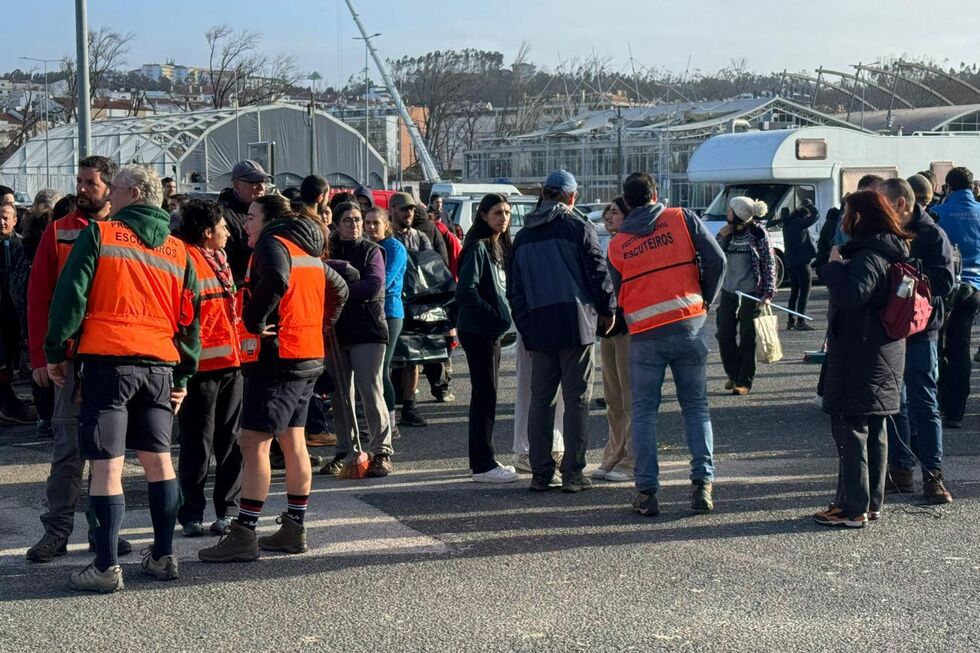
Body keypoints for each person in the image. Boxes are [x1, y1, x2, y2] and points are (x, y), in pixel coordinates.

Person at [45, 164, 201, 591]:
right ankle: (164, 555)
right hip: (159, 367)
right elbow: (190, 321)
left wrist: (55, 351)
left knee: (107, 466)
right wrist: (184, 375)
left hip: (108, 362)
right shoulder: (179, 251)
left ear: (132, 192)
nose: (108, 194)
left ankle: (106, 566)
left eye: (113, 188)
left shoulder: (101, 234)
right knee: (158, 461)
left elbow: (70, 297)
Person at [199, 195, 325, 563]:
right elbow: (341, 284)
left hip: (279, 357)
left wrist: (253, 321)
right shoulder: (306, 245)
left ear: (269, 219)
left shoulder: (273, 243)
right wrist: (318, 326)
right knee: (293, 441)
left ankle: (244, 533)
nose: (246, 224)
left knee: (253, 442)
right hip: (306, 353)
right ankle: (294, 528)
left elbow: (276, 280)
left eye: (252, 217)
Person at [25, 158, 136, 563]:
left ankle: (101, 530)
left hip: (112, 356)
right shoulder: (59, 231)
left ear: (110, 187)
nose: (83, 188)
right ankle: (56, 530)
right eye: (79, 182)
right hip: (70, 359)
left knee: (107, 450)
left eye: (91, 182)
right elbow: (39, 298)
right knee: (68, 448)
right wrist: (40, 355)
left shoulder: (125, 232)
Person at [607, 173, 726, 516]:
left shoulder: (618, 243)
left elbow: (620, 293)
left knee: (644, 413)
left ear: (626, 204)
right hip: (689, 324)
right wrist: (704, 299)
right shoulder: (682, 218)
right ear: (655, 193)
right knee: (696, 407)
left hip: (645, 334)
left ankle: (646, 493)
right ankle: (702, 485)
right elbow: (717, 259)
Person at [507, 169, 614, 493]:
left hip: (539, 326)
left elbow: (515, 290)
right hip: (575, 321)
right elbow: (598, 272)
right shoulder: (578, 226)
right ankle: (573, 473)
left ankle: (541, 472)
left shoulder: (523, 235)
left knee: (541, 401)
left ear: (543, 193)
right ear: (571, 197)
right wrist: (607, 311)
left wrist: (525, 327)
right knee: (577, 400)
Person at [815, 190, 909, 528]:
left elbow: (853, 298)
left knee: (849, 425)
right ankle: (870, 503)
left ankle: (852, 507)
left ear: (860, 217)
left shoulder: (868, 254)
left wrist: (835, 268)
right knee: (875, 425)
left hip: (861, 353)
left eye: (847, 213)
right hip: (883, 350)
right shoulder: (889, 248)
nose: (842, 220)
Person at [879, 178, 955, 504]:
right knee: (897, 402)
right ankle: (900, 469)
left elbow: (945, 282)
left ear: (901, 204)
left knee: (924, 402)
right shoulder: (888, 232)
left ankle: (933, 474)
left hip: (922, 331)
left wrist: (908, 272)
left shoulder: (932, 234)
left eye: (883, 203)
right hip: (892, 330)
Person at [175, 199, 245, 537]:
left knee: (230, 442)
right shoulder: (186, 258)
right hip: (201, 369)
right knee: (197, 444)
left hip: (231, 364)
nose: (228, 232)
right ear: (207, 233)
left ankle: (227, 510)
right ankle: (191, 513)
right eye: (222, 227)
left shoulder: (220, 260)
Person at [319, 203, 393, 478]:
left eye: (358, 220)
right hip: (336, 330)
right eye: (348, 220)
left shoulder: (372, 250)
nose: (355, 225)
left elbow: (373, 285)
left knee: (370, 389)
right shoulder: (329, 250)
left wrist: (337, 289)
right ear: (336, 225)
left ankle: (381, 451)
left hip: (368, 329)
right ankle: (347, 451)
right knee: (340, 395)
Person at [456, 194, 519, 483]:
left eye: (506, 212)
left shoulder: (498, 246)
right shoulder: (478, 248)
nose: (503, 218)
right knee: (485, 395)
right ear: (483, 215)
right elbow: (466, 292)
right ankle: (482, 464)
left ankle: (485, 458)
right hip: (478, 330)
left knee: (488, 394)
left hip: (490, 331)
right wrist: (494, 316)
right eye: (497, 212)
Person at [931, 167, 980, 430]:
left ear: (948, 187)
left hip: (946, 286)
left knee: (936, 342)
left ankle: (936, 401)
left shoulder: (939, 213)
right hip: (976, 287)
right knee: (962, 346)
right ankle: (957, 410)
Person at [715, 196, 777, 395]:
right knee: (724, 334)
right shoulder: (728, 234)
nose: (727, 214)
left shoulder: (758, 233)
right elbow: (712, 257)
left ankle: (744, 381)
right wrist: (720, 237)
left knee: (748, 337)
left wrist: (767, 292)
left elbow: (768, 263)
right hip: (728, 292)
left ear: (739, 214)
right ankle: (733, 375)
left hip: (751, 295)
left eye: (730, 210)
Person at [593, 198, 634, 483]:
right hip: (608, 324)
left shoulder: (632, 244)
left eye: (615, 211)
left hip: (628, 323)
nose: (608, 215)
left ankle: (632, 458)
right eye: (607, 211)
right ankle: (613, 452)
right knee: (612, 395)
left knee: (630, 394)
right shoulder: (608, 244)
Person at [388, 191, 436, 427]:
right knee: (388, 360)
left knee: (414, 359)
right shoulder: (386, 235)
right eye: (404, 209)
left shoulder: (420, 237)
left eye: (411, 209)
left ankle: (409, 407)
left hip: (416, 303)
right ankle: (388, 411)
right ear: (393, 210)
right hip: (393, 303)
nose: (408, 213)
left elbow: (431, 268)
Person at [363, 206, 407, 439]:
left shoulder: (394, 248)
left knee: (381, 368)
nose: (370, 227)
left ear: (386, 224)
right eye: (367, 222)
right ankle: (378, 420)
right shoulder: (366, 246)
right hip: (369, 312)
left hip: (389, 312)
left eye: (375, 223)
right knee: (373, 370)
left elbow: (384, 281)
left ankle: (390, 421)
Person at [0, 201, 32, 424]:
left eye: (5, 217)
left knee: (11, 356)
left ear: (15, 220)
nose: (2, 222)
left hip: (15, 310)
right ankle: (8, 403)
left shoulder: (21, 245)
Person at [218, 159, 272, 284]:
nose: (261, 187)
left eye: (263, 182)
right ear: (237, 185)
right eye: (254, 182)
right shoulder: (224, 217)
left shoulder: (266, 211)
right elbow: (226, 262)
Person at [773, 201, 819, 330]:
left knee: (794, 292)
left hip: (790, 262)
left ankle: (791, 320)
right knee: (805, 292)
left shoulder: (787, 225)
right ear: (803, 217)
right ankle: (801, 321)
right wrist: (810, 206)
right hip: (802, 262)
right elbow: (816, 215)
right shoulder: (799, 223)